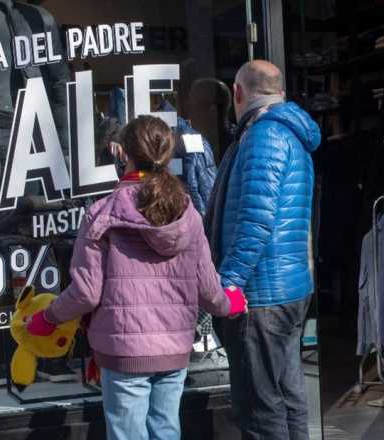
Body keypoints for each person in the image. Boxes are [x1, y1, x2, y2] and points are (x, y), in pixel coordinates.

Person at [25, 115, 247, 440]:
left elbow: (86, 293)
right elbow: (208, 288)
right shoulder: (188, 212)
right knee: (166, 430)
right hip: (174, 347)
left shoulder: (101, 213)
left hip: (124, 349)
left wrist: (47, 318)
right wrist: (231, 303)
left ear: (123, 153)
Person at [207, 60, 321, 439]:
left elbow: (256, 219)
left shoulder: (263, 136)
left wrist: (227, 285)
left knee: (259, 407)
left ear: (238, 94)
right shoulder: (288, 134)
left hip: (261, 295)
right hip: (288, 288)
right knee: (286, 396)